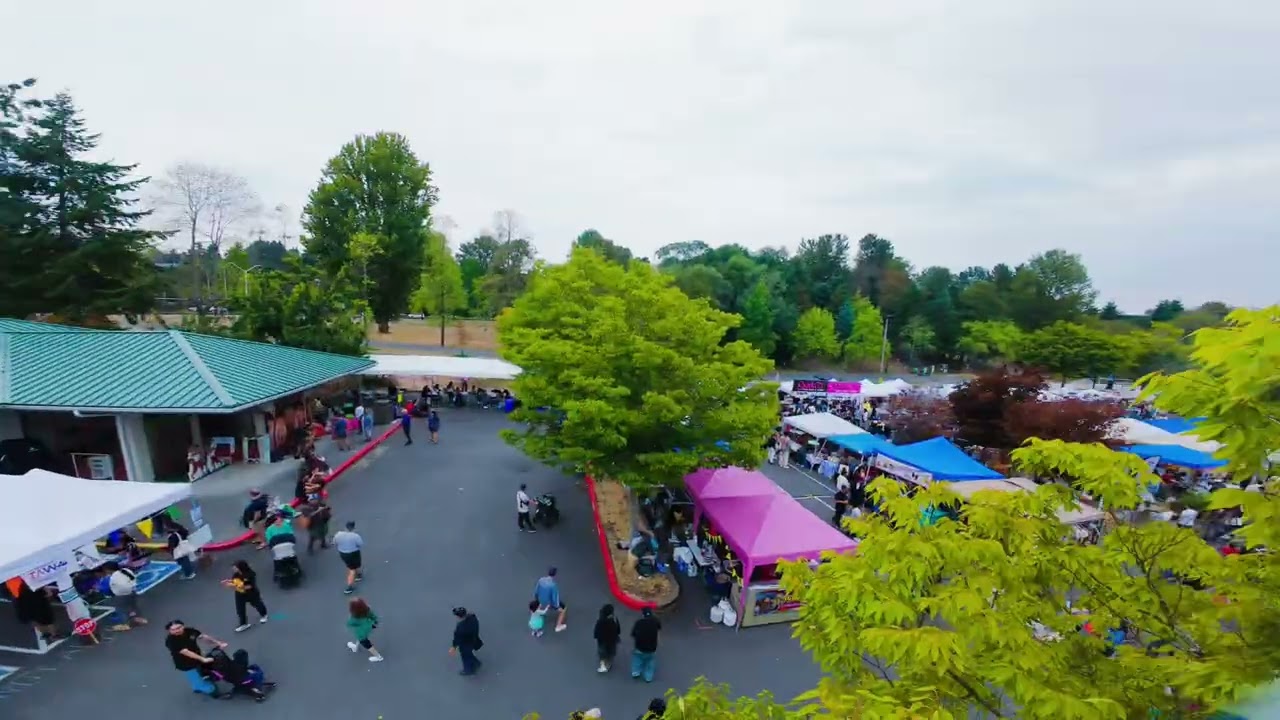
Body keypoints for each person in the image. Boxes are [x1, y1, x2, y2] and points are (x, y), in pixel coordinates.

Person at [164, 620, 230, 699]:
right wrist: (203, 659)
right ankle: (213, 692)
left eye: (179, 628)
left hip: (196, 656)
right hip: (185, 663)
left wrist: (218, 643)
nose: (177, 631)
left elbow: (203, 637)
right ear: (169, 630)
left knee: (201, 671)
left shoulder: (190, 631)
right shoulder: (171, 641)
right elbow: (185, 652)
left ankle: (197, 687)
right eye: (173, 629)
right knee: (196, 677)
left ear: (183, 626)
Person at [223, 560, 269, 632]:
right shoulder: (236, 574)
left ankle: (264, 615)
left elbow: (248, 586)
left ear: (240, 567)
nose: (233, 569)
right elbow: (236, 581)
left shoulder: (249, 574)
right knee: (240, 609)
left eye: (235, 567)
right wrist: (229, 581)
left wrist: (233, 585)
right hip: (239, 594)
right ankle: (243, 624)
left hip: (251, 593)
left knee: (257, 604)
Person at [103, 561, 146, 627]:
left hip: (121, 596)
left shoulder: (110, 578)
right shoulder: (126, 570)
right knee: (133, 606)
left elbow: (106, 590)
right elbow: (133, 579)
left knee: (122, 609)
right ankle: (138, 618)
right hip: (132, 592)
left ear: (108, 570)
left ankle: (127, 623)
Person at [345, 597, 384, 662]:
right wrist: (375, 622)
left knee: (368, 645)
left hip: (361, 634)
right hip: (369, 627)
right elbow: (373, 617)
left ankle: (379, 657)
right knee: (361, 639)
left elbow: (349, 624)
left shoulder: (354, 618)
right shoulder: (367, 610)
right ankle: (355, 647)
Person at [630, 606, 661, 683]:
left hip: (639, 647)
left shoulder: (639, 623)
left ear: (643, 615)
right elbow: (659, 627)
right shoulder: (655, 622)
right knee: (650, 662)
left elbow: (633, 634)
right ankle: (648, 677)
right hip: (652, 648)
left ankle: (636, 672)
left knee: (637, 659)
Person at [449, 606, 483, 675]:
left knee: (465, 656)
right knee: (469, 654)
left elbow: (457, 638)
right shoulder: (472, 619)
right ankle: (477, 663)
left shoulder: (461, 627)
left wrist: (453, 647)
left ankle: (468, 671)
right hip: (473, 640)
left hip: (465, 643)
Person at [333, 521, 364, 594]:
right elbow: (360, 544)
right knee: (353, 569)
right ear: (353, 528)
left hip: (343, 553)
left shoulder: (338, 535)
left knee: (352, 565)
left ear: (345, 527)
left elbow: (334, 543)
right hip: (354, 552)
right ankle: (349, 586)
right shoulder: (355, 536)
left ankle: (359, 574)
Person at [534, 567, 568, 632]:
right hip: (549, 603)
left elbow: (536, 591)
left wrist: (537, 600)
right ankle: (558, 626)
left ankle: (539, 617)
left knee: (541, 607)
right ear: (555, 575)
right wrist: (557, 607)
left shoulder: (541, 580)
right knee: (563, 609)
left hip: (540, 600)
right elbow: (555, 598)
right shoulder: (553, 585)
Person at [593, 603, 622, 673]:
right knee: (611, 653)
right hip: (612, 640)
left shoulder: (600, 621)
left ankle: (602, 664)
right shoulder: (614, 620)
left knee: (602, 651)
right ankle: (608, 665)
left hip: (602, 640)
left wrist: (596, 636)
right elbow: (618, 630)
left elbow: (596, 630)